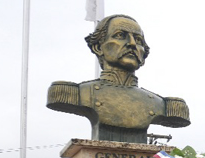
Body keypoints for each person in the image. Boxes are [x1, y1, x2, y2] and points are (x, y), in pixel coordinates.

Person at [46, 14, 189, 143]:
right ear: (98, 47)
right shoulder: (74, 94)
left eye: (138, 39)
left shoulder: (166, 106)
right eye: (120, 35)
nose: (132, 43)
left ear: (143, 54)